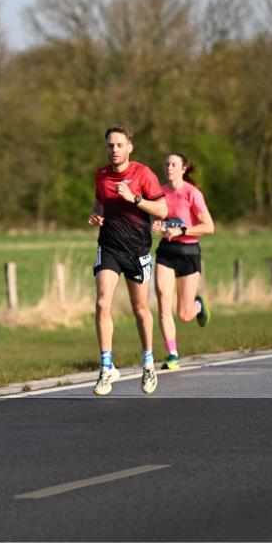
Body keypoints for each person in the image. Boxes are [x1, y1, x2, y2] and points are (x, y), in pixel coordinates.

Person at [88, 125, 168, 396]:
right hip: (109, 245)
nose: (114, 150)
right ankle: (106, 366)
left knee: (140, 308)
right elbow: (99, 202)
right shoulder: (101, 175)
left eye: (119, 145)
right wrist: (95, 215)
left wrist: (135, 198)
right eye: (110, 145)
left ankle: (147, 362)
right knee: (102, 302)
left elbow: (162, 209)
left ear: (129, 147)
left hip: (137, 249)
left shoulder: (143, 174)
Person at [151, 153, 215, 370]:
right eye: (166, 164)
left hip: (188, 253)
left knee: (185, 315)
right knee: (163, 302)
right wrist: (158, 226)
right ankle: (172, 354)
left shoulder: (192, 193)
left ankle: (197, 305)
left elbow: (209, 227)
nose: (169, 167)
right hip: (166, 252)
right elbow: (158, 219)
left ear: (183, 168)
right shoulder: (160, 193)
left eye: (174, 164)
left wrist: (183, 229)